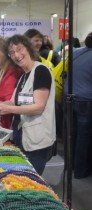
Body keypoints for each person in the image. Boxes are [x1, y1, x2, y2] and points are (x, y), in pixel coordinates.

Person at [0, 34, 56, 175]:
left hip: (37, 140)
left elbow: (39, 106)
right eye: (12, 52)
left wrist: (8, 108)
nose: (17, 55)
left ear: (28, 48)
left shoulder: (40, 71)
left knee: (32, 179)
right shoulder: (23, 76)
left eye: (19, 49)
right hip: (22, 136)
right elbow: (15, 101)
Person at [63, 32, 92, 179]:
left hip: (69, 97)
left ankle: (70, 166)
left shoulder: (75, 53)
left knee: (71, 134)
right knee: (84, 137)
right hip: (85, 101)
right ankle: (81, 171)